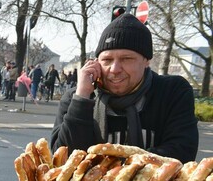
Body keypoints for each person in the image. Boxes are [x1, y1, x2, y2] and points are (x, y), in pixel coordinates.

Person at [51, 13, 198, 163]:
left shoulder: (172, 92)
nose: (114, 69)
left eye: (126, 59)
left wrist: (108, 169)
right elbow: (61, 160)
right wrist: (81, 98)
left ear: (146, 60)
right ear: (95, 62)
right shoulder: (76, 98)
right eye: (107, 60)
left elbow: (181, 153)